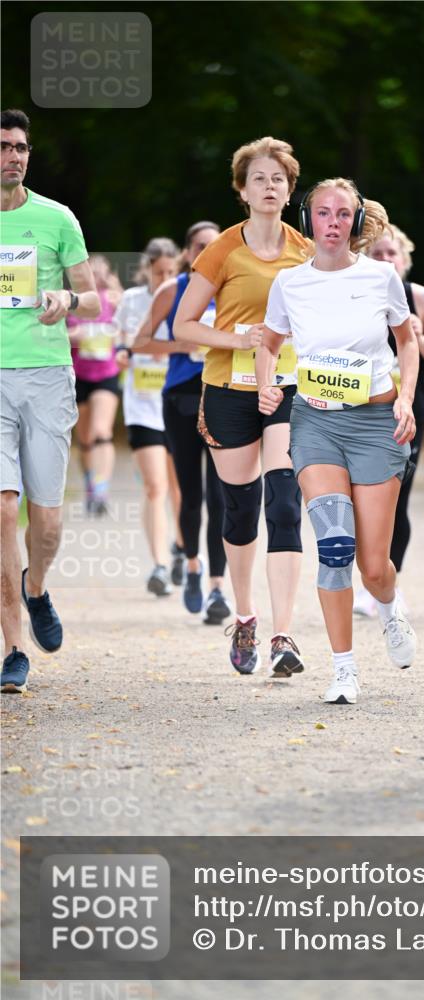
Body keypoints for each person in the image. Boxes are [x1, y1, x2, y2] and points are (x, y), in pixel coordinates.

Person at [257, 178, 420, 705]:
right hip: (316, 424)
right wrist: (265, 384)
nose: (333, 222)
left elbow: (407, 340)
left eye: (343, 213)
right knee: (334, 548)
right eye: (324, 212)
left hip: (374, 425)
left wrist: (405, 399)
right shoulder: (289, 283)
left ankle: (390, 606)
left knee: (373, 566)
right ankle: (344, 670)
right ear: (309, 220)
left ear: (357, 220)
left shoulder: (381, 277)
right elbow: (269, 343)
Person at [174, 137, 309, 677]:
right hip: (229, 387)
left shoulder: (306, 250)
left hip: (289, 386)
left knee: (285, 503)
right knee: (240, 507)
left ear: (289, 190)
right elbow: (184, 325)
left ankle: (283, 635)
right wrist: (239, 338)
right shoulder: (223, 249)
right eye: (259, 178)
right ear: (242, 190)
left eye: (278, 179)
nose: (269, 186)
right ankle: (246, 616)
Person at [0, 108, 100, 693]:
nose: (13, 155)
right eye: (4, 146)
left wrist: (67, 298)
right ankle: (14, 647)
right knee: (1, 506)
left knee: (47, 519)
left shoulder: (56, 218)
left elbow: (94, 298)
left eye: (20, 147)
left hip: (45, 376)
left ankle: (35, 587)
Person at [132, 220, 231, 624]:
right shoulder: (172, 290)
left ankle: (217, 587)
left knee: (222, 498)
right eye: (200, 246)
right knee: (191, 495)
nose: (207, 251)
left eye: (215, 244)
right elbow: (139, 341)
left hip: (226, 397)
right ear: (188, 253)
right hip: (182, 399)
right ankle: (192, 565)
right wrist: (181, 344)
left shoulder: (233, 287)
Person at [353, 223, 424, 618]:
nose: (384, 259)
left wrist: (417, 336)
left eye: (391, 253)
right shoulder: (355, 291)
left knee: (398, 498)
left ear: (405, 259)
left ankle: (388, 585)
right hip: (360, 407)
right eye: (376, 253)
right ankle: (369, 580)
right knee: (361, 498)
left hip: (407, 410)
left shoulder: (419, 297)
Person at [115, 237, 182, 598]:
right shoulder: (132, 300)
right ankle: (158, 565)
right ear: (147, 270)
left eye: (172, 272)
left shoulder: (186, 297)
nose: (165, 279)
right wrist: (122, 353)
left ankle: (182, 549)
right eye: (159, 273)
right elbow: (120, 340)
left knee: (180, 488)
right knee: (155, 486)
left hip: (176, 403)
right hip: (142, 406)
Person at [67, 254, 123, 517]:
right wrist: (74, 336)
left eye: (103, 272)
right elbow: (53, 333)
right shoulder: (71, 299)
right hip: (78, 375)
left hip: (106, 374)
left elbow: (133, 328)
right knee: (85, 438)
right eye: (94, 271)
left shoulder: (115, 300)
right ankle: (91, 482)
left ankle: (101, 488)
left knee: (102, 431)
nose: (98, 276)